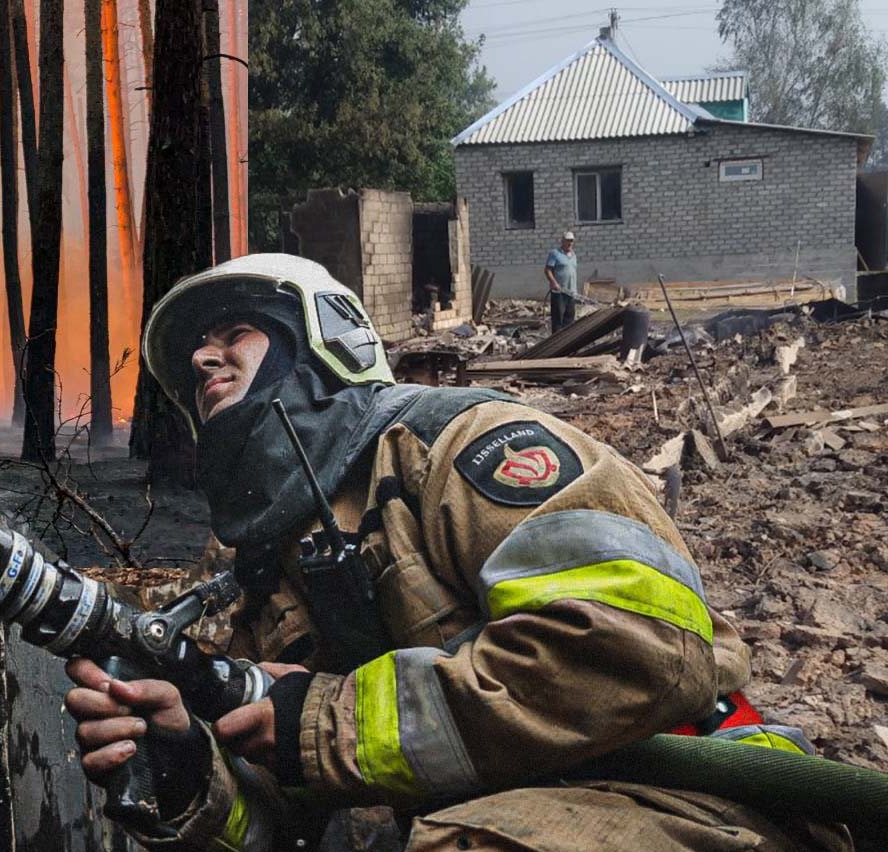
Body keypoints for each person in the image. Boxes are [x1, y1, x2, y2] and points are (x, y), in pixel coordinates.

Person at [66, 254, 848, 852]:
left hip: (690, 795)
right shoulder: (255, 571)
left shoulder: (459, 446)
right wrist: (186, 767)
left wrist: (322, 721)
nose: (204, 360)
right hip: (500, 816)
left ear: (326, 339)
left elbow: (636, 649)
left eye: (234, 332)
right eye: (195, 352)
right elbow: (286, 829)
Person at [545, 231, 578, 332]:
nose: (570, 243)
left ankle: (567, 343)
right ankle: (557, 344)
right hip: (559, 293)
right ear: (562, 241)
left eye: (571, 241)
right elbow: (547, 270)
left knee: (569, 319)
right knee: (558, 320)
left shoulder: (573, 255)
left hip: (570, 292)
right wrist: (554, 283)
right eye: (568, 241)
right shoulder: (555, 254)